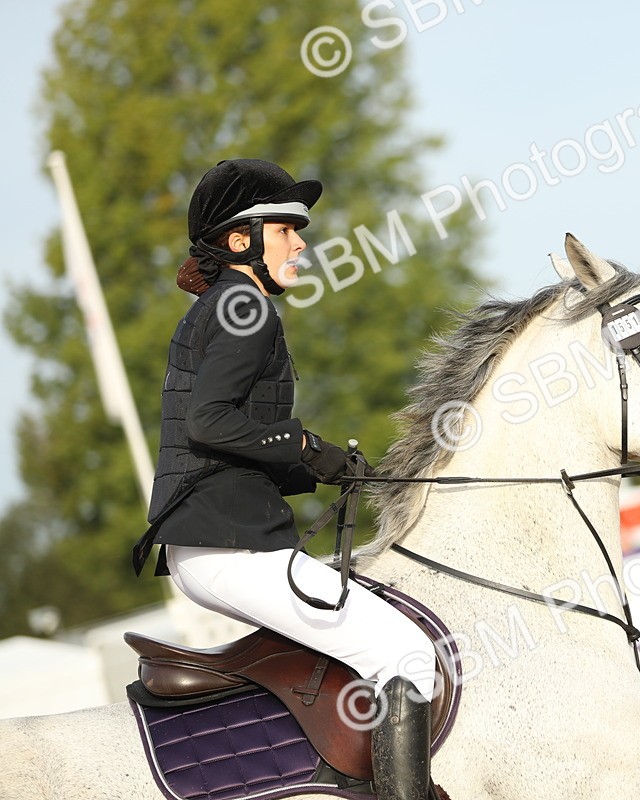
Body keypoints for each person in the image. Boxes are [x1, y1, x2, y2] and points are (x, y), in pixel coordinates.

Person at [131, 159, 438, 800]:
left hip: (218, 540)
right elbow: (210, 421)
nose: (302, 243)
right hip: (227, 546)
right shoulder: (246, 305)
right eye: (286, 230)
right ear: (240, 240)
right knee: (406, 655)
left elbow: (228, 428)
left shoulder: (229, 304)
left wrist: (310, 463)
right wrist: (302, 442)